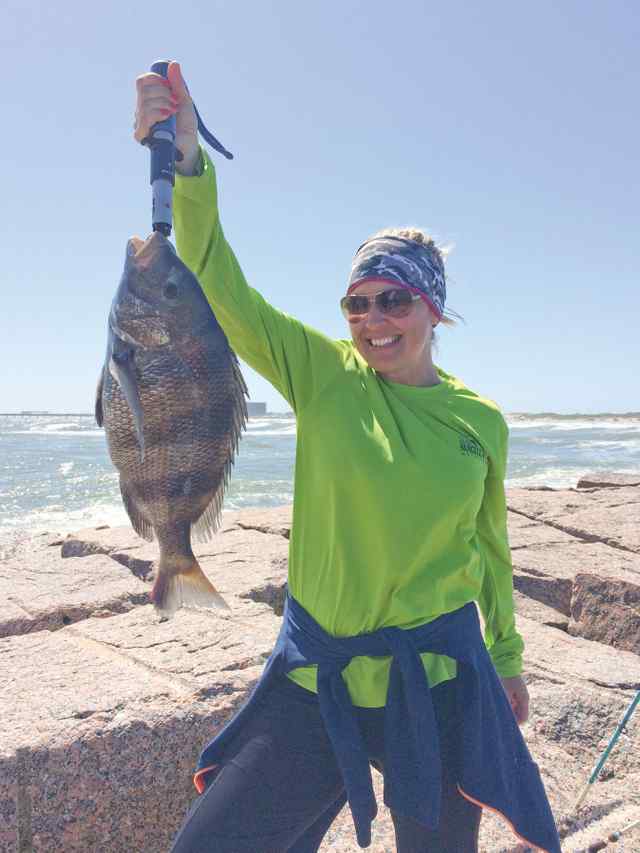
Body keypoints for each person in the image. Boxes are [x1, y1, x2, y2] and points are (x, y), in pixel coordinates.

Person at [134, 63, 561, 853]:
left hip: (433, 683)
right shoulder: (324, 374)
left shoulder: (479, 421)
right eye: (358, 303)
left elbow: (489, 551)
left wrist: (506, 659)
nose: (374, 320)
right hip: (317, 678)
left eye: (395, 299)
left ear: (433, 308)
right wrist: (187, 159)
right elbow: (218, 280)